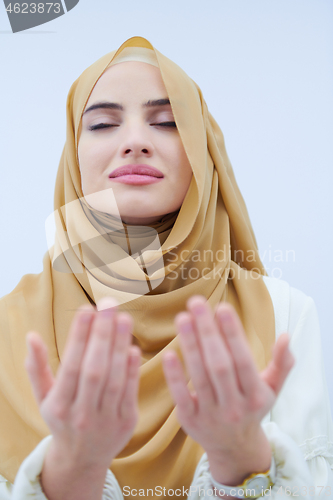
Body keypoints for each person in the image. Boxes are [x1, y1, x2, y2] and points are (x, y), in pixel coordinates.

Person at [0, 36, 332, 500]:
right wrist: (73, 471)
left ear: (202, 152)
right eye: (101, 125)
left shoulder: (284, 316)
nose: (135, 142)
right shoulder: (7, 327)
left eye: (167, 122)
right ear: (72, 156)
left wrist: (240, 463)